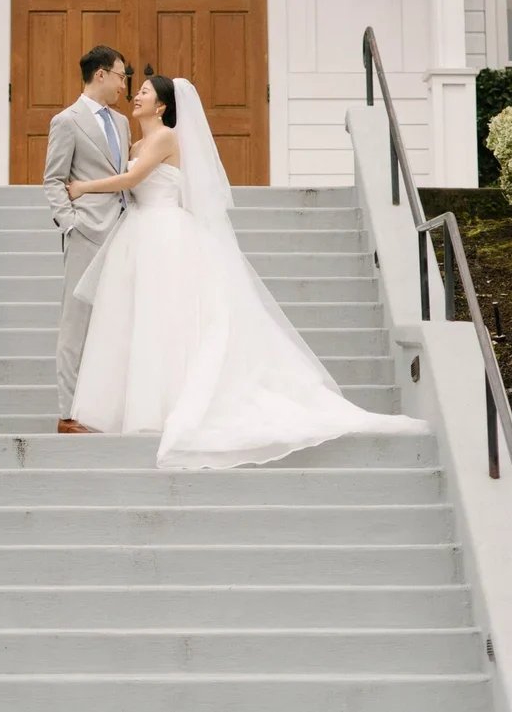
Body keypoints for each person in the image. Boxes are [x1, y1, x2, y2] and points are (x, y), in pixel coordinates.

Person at [66, 72, 416, 470]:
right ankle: (147, 405)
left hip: (166, 234)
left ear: (161, 105)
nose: (137, 95)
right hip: (140, 235)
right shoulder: (138, 141)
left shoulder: (165, 136)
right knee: (147, 321)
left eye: (144, 92)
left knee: (169, 320)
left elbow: (132, 178)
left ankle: (171, 405)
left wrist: (81, 188)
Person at [41, 44, 131, 433]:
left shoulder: (124, 123)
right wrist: (71, 224)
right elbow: (53, 180)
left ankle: (106, 407)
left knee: (115, 322)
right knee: (76, 324)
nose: (124, 85)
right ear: (101, 74)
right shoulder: (67, 121)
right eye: (121, 76)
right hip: (87, 234)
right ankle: (68, 413)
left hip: (126, 234)